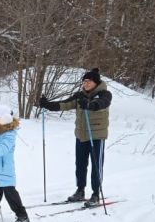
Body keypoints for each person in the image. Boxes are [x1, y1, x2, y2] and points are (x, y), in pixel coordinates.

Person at [38, 68, 112, 206]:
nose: (86, 83)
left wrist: (90, 105)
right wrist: (47, 105)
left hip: (96, 136)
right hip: (81, 135)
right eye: (84, 81)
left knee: (96, 166)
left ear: (96, 82)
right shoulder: (80, 96)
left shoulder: (104, 94)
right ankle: (80, 190)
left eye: (89, 81)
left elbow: (103, 104)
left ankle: (96, 194)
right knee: (80, 165)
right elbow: (64, 104)